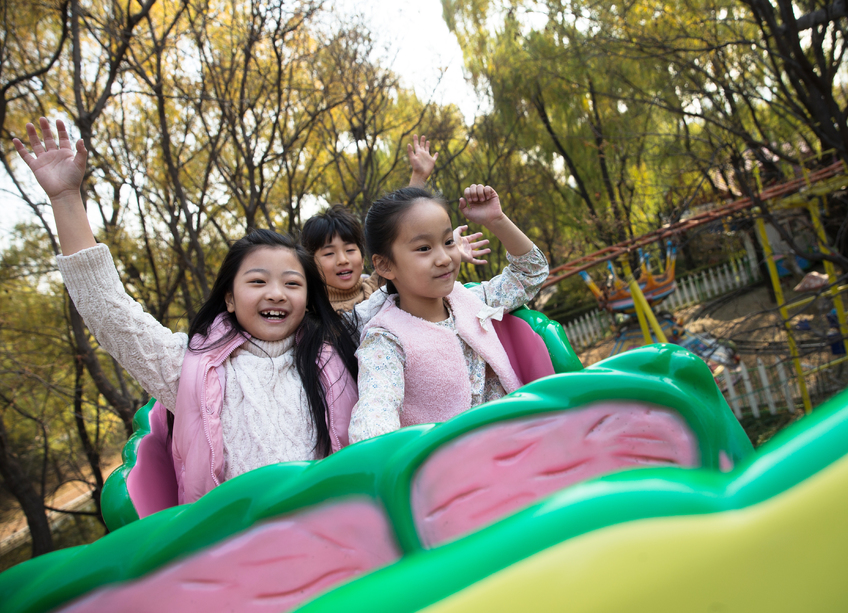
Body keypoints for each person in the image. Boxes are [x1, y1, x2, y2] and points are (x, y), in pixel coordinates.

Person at [13, 117, 358, 504]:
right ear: (229, 298)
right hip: (231, 547)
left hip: (335, 533)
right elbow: (109, 312)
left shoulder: (340, 351)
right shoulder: (188, 368)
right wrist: (65, 199)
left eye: (292, 284)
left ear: (308, 299)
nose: (276, 294)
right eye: (258, 282)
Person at [348, 183, 548, 443]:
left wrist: (496, 220)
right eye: (424, 248)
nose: (444, 258)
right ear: (385, 265)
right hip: (457, 466)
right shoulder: (386, 340)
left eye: (448, 242)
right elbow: (376, 414)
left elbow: (530, 273)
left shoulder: (472, 299)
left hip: (518, 435)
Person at [301, 135, 490, 313]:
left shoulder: (375, 286)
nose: (343, 259)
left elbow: (402, 227)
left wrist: (418, 178)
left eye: (350, 250)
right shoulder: (310, 305)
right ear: (310, 261)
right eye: (328, 253)